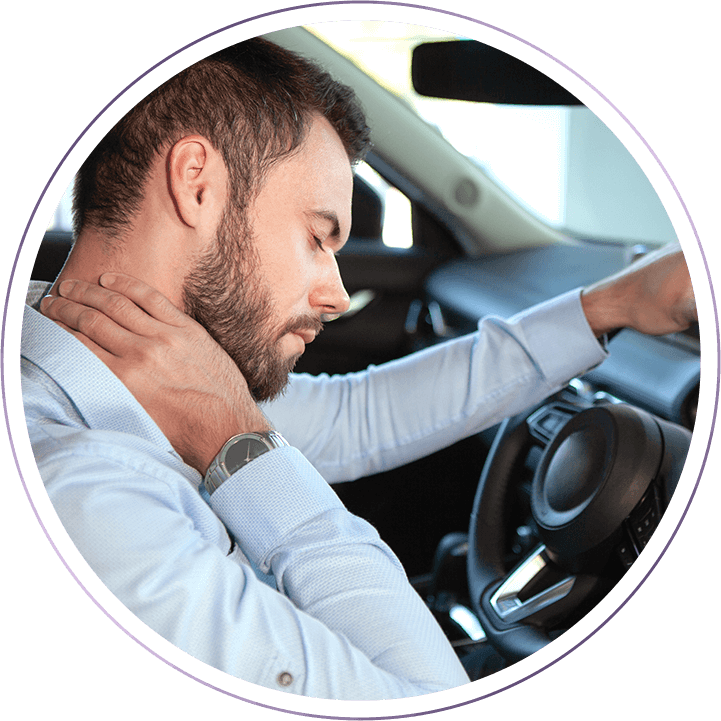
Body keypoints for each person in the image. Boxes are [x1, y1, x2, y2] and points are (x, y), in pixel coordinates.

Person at [21, 37, 697, 700]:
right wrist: (238, 440)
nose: (337, 295)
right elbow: (425, 691)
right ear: (196, 183)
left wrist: (612, 303)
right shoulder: (96, 494)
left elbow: (354, 416)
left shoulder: (116, 356)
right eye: (317, 236)